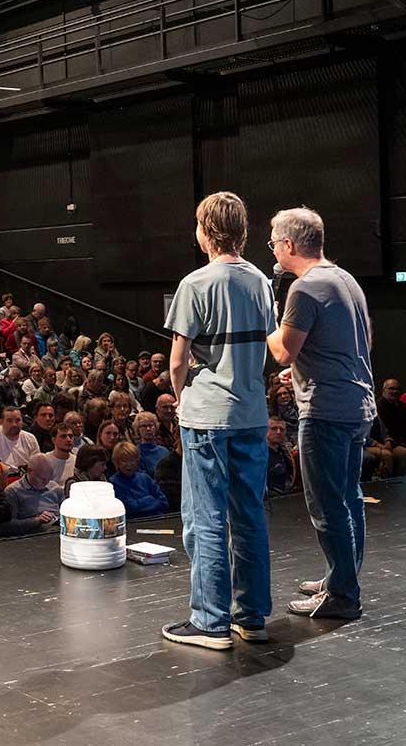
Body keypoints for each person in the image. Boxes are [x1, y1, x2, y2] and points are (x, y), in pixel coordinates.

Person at [160, 191, 275, 651]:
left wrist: (180, 397)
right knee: (250, 515)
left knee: (205, 518)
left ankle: (210, 622)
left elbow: (177, 361)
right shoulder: (261, 282)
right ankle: (252, 616)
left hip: (207, 415)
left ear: (206, 231)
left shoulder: (195, 284)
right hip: (251, 413)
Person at [266, 206, 375, 621]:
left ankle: (343, 595)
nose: (274, 250)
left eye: (274, 243)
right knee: (349, 497)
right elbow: (360, 341)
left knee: (327, 506)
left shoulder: (304, 289)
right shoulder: (345, 279)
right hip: (357, 404)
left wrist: (267, 318)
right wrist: (307, 363)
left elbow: (281, 352)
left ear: (289, 244)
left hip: (326, 410)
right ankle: (342, 578)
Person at [1, 454, 63, 536]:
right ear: (29, 471)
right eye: (42, 478)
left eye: (49, 478)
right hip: (34, 536)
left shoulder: (55, 488)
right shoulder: (13, 492)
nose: (46, 482)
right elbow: (6, 527)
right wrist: (36, 520)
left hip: (58, 530)